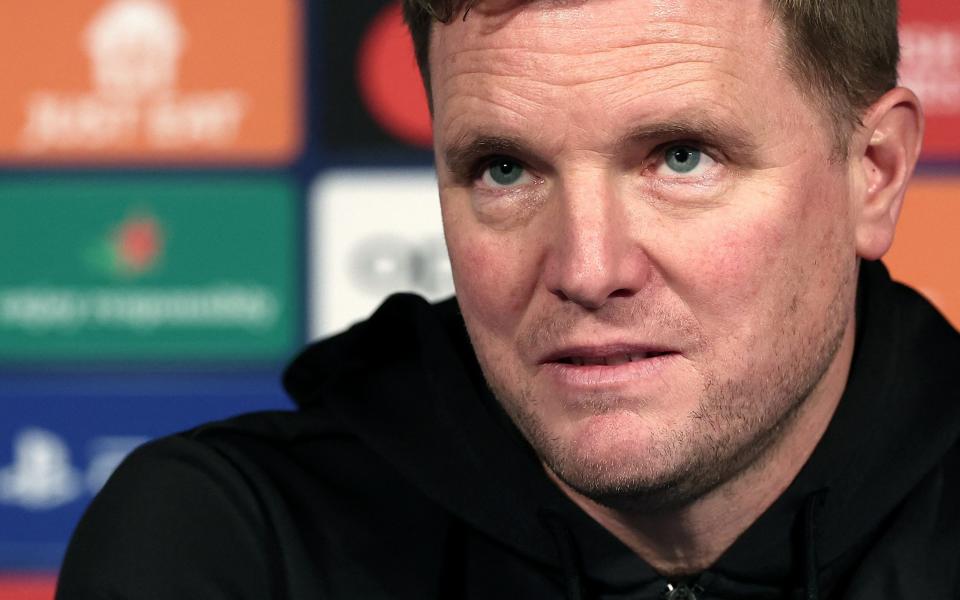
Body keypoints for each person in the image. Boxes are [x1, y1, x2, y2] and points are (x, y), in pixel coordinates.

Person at [57, 0, 960, 598]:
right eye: (505, 170)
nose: (586, 266)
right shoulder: (237, 545)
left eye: (682, 157)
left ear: (873, 175)